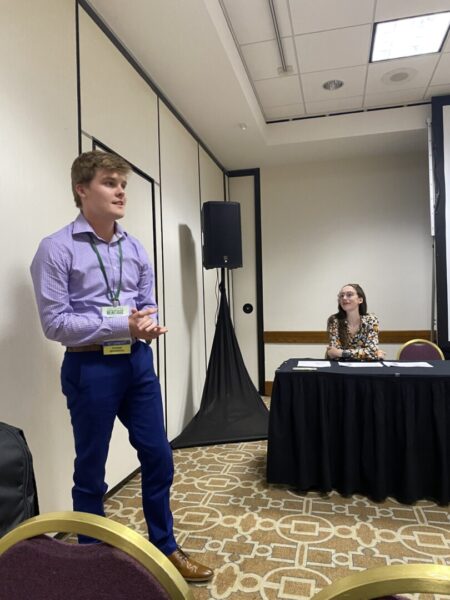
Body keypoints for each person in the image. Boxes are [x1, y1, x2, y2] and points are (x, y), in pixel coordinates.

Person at [30, 150, 213, 582]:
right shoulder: (55, 249)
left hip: (136, 363)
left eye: (123, 185)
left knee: (159, 455)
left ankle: (165, 546)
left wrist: (146, 322)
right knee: (91, 467)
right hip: (89, 369)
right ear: (82, 189)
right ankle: (90, 560)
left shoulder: (134, 247)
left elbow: (145, 301)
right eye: (110, 183)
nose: (120, 192)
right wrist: (121, 323)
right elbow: (55, 323)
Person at [326, 283, 385, 361]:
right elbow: (334, 354)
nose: (344, 298)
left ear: (360, 300)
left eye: (349, 295)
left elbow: (371, 351)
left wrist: (342, 353)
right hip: (339, 368)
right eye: (341, 295)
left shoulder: (371, 320)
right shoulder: (334, 320)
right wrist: (367, 354)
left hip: (363, 369)